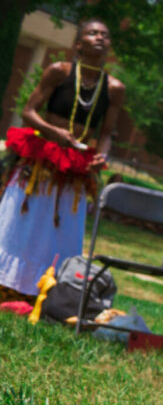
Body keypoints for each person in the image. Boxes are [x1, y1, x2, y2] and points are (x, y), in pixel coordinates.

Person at [0, 19, 124, 301]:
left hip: (77, 164)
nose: (100, 38)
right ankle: (6, 283)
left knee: (60, 227)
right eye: (92, 33)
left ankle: (50, 290)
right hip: (43, 157)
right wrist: (53, 132)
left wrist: (102, 155)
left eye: (105, 35)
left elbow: (106, 133)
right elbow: (29, 111)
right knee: (24, 218)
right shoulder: (59, 71)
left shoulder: (114, 88)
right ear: (78, 44)